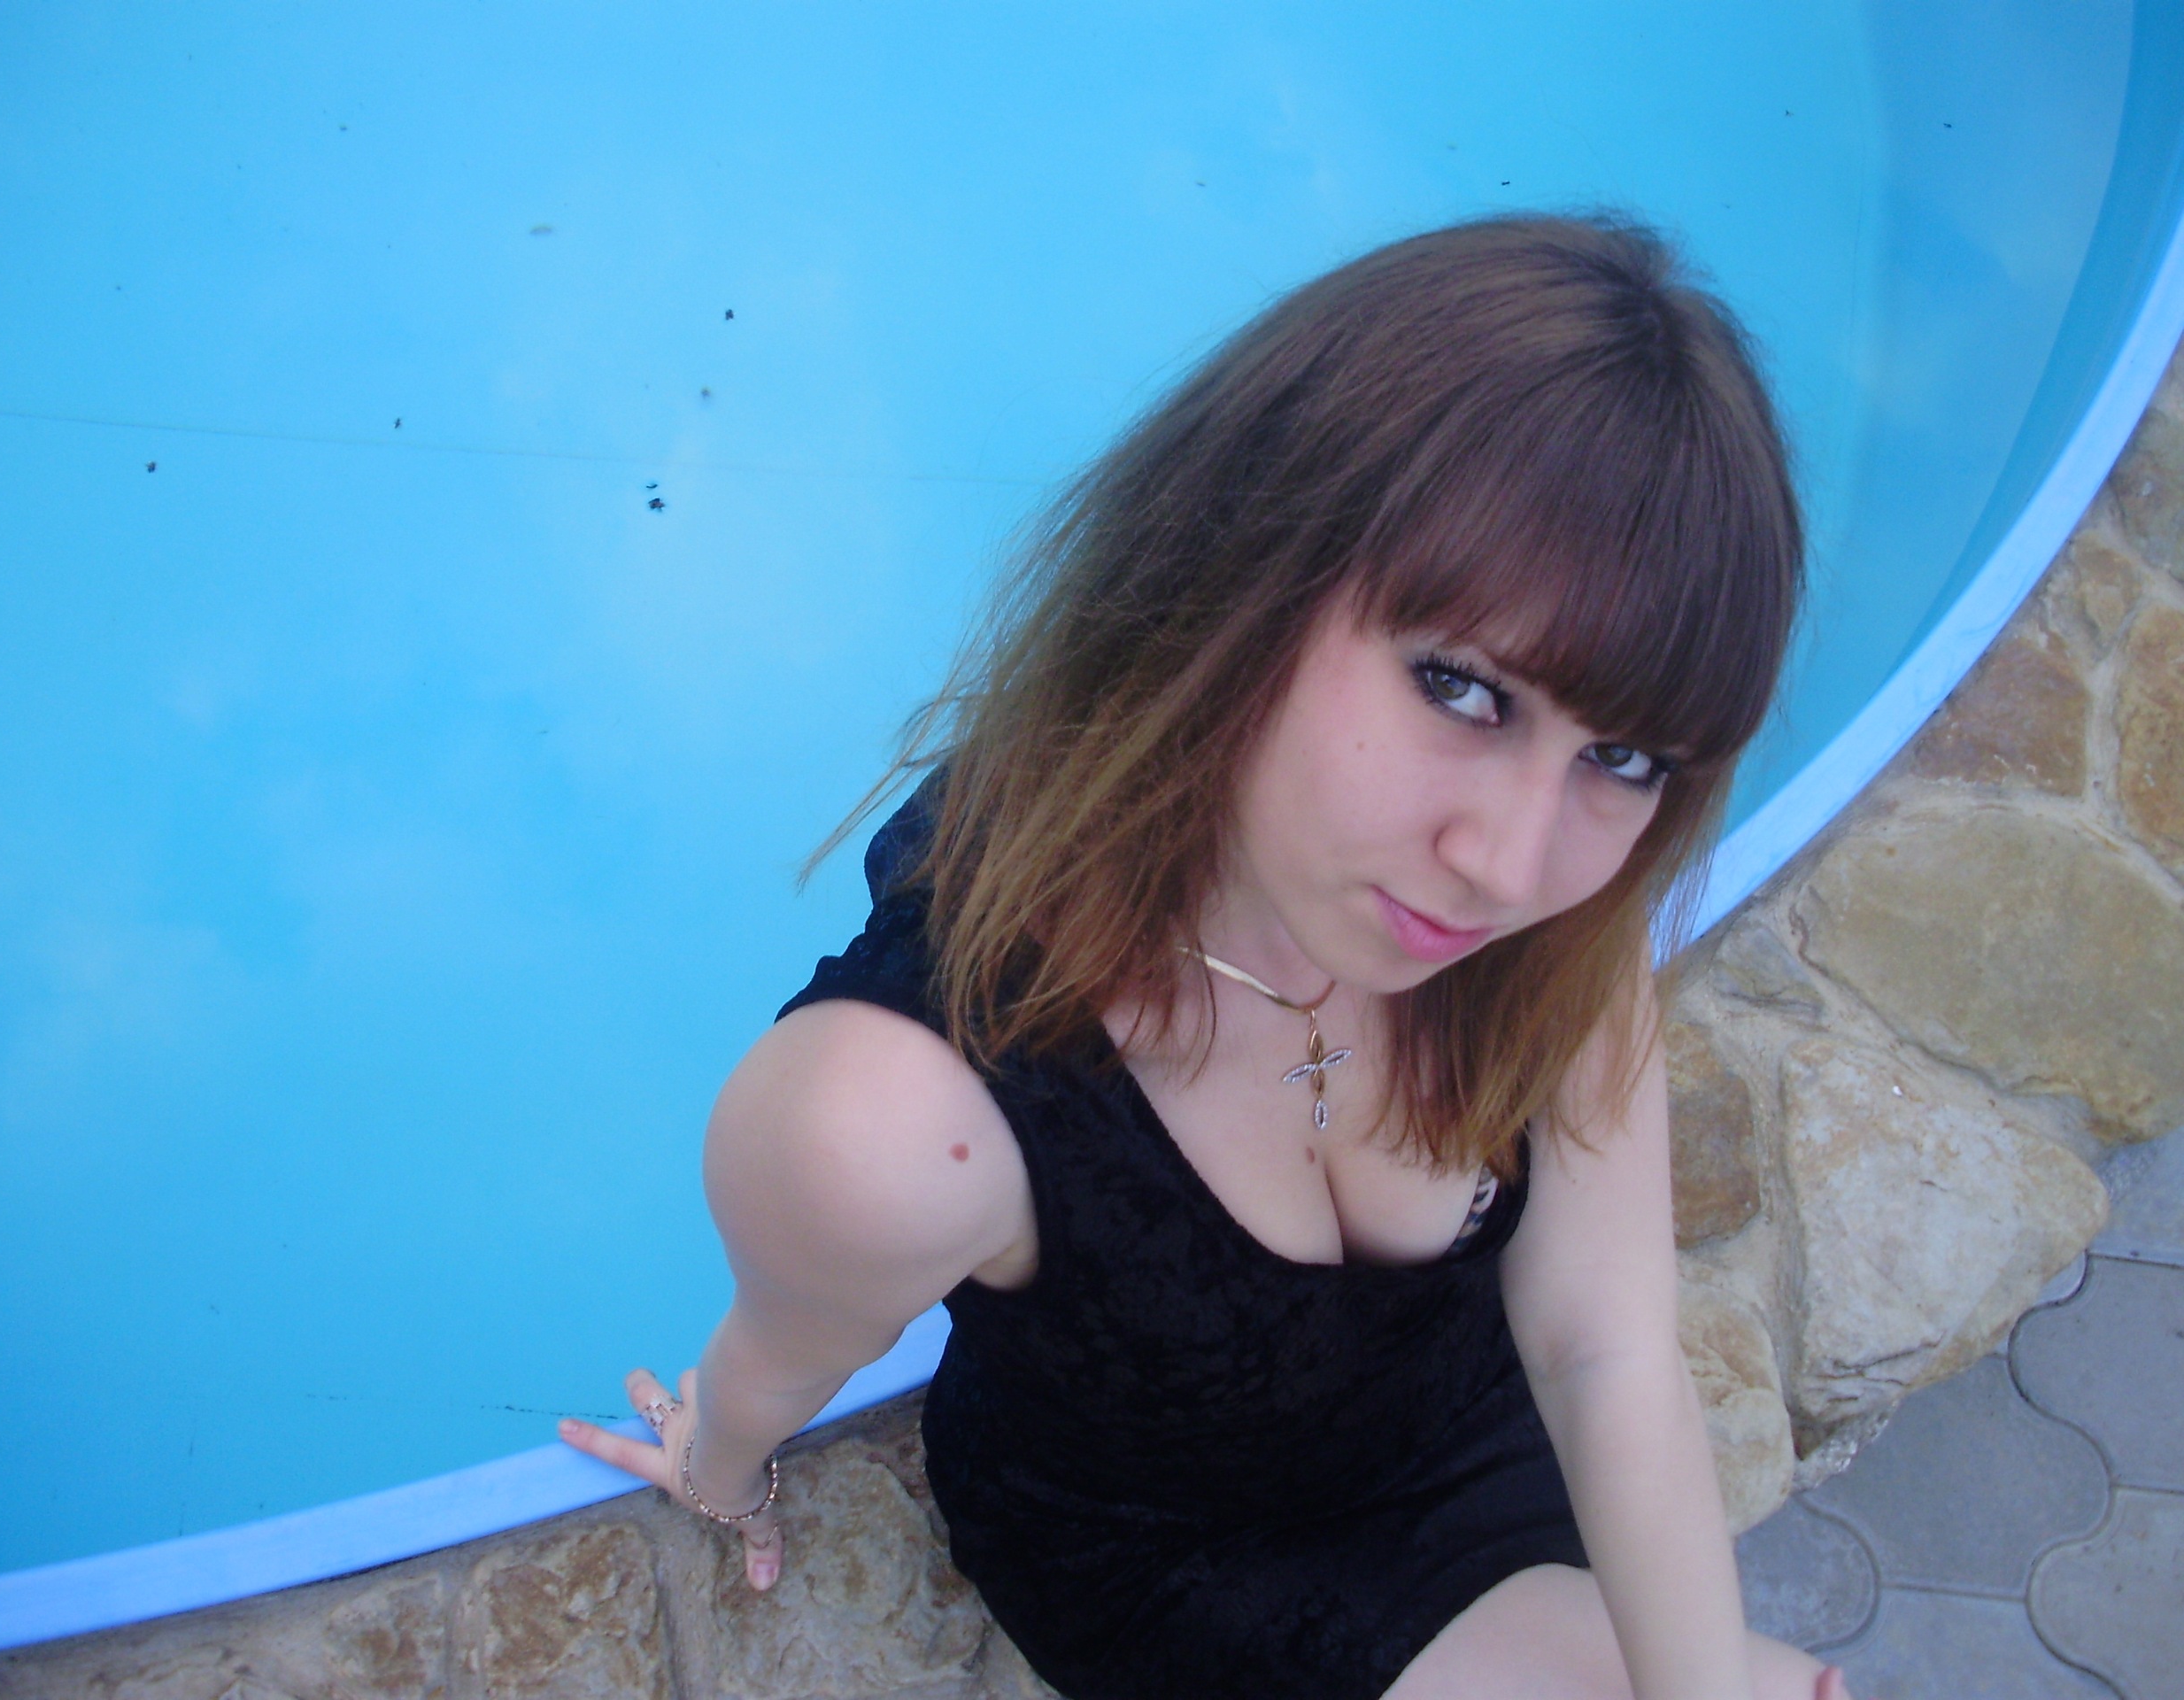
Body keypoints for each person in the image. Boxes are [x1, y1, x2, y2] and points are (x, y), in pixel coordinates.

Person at [560, 215, 1859, 1700]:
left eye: (1622, 756)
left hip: (1475, 1449)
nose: (1511, 865)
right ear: (1252, 570)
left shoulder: (1552, 909)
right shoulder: (895, 1125)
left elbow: (1599, 1345)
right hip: (1187, 1560)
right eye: (1460, 687)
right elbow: (781, 1356)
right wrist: (719, 1467)